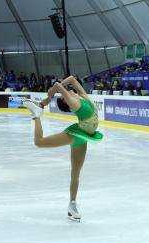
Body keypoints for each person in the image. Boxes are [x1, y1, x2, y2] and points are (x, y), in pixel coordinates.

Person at [23, 76, 103, 222]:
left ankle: (72, 204)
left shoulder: (83, 96)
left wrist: (50, 95)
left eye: (71, 91)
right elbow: (58, 85)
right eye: (68, 94)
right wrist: (48, 99)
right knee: (39, 142)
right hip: (76, 134)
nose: (71, 91)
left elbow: (72, 79)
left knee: (75, 174)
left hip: (83, 137)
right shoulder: (74, 103)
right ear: (66, 101)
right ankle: (36, 115)